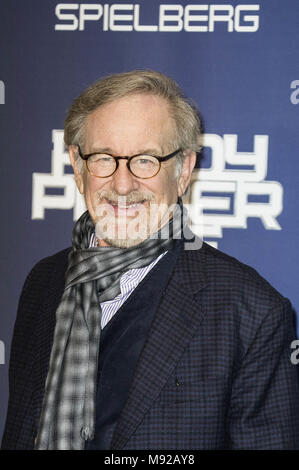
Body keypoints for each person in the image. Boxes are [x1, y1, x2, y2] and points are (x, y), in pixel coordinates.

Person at [2, 70, 299, 450]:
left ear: (184, 170)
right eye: (104, 158)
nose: (122, 184)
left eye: (145, 160)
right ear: (78, 167)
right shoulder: (43, 282)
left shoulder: (251, 313)